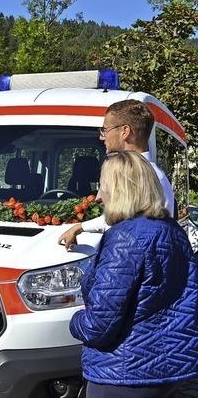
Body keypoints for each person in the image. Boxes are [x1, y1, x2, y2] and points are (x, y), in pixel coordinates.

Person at [69, 150, 198, 397]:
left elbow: (99, 324)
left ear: (119, 189)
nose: (99, 195)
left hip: (124, 371)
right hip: (173, 367)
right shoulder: (172, 231)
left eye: (103, 185)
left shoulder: (125, 238)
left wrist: (75, 322)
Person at [59, 100, 175, 249]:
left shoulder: (144, 177)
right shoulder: (145, 174)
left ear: (125, 132)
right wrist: (80, 227)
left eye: (105, 130)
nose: (102, 137)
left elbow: (126, 227)